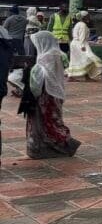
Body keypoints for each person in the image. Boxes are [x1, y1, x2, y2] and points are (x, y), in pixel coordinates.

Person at [20, 31, 80, 159]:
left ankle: (49, 147)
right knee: (53, 120)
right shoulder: (57, 54)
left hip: (45, 95)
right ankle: (59, 146)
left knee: (44, 122)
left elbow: (39, 79)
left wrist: (31, 72)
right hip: (56, 93)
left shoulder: (45, 56)